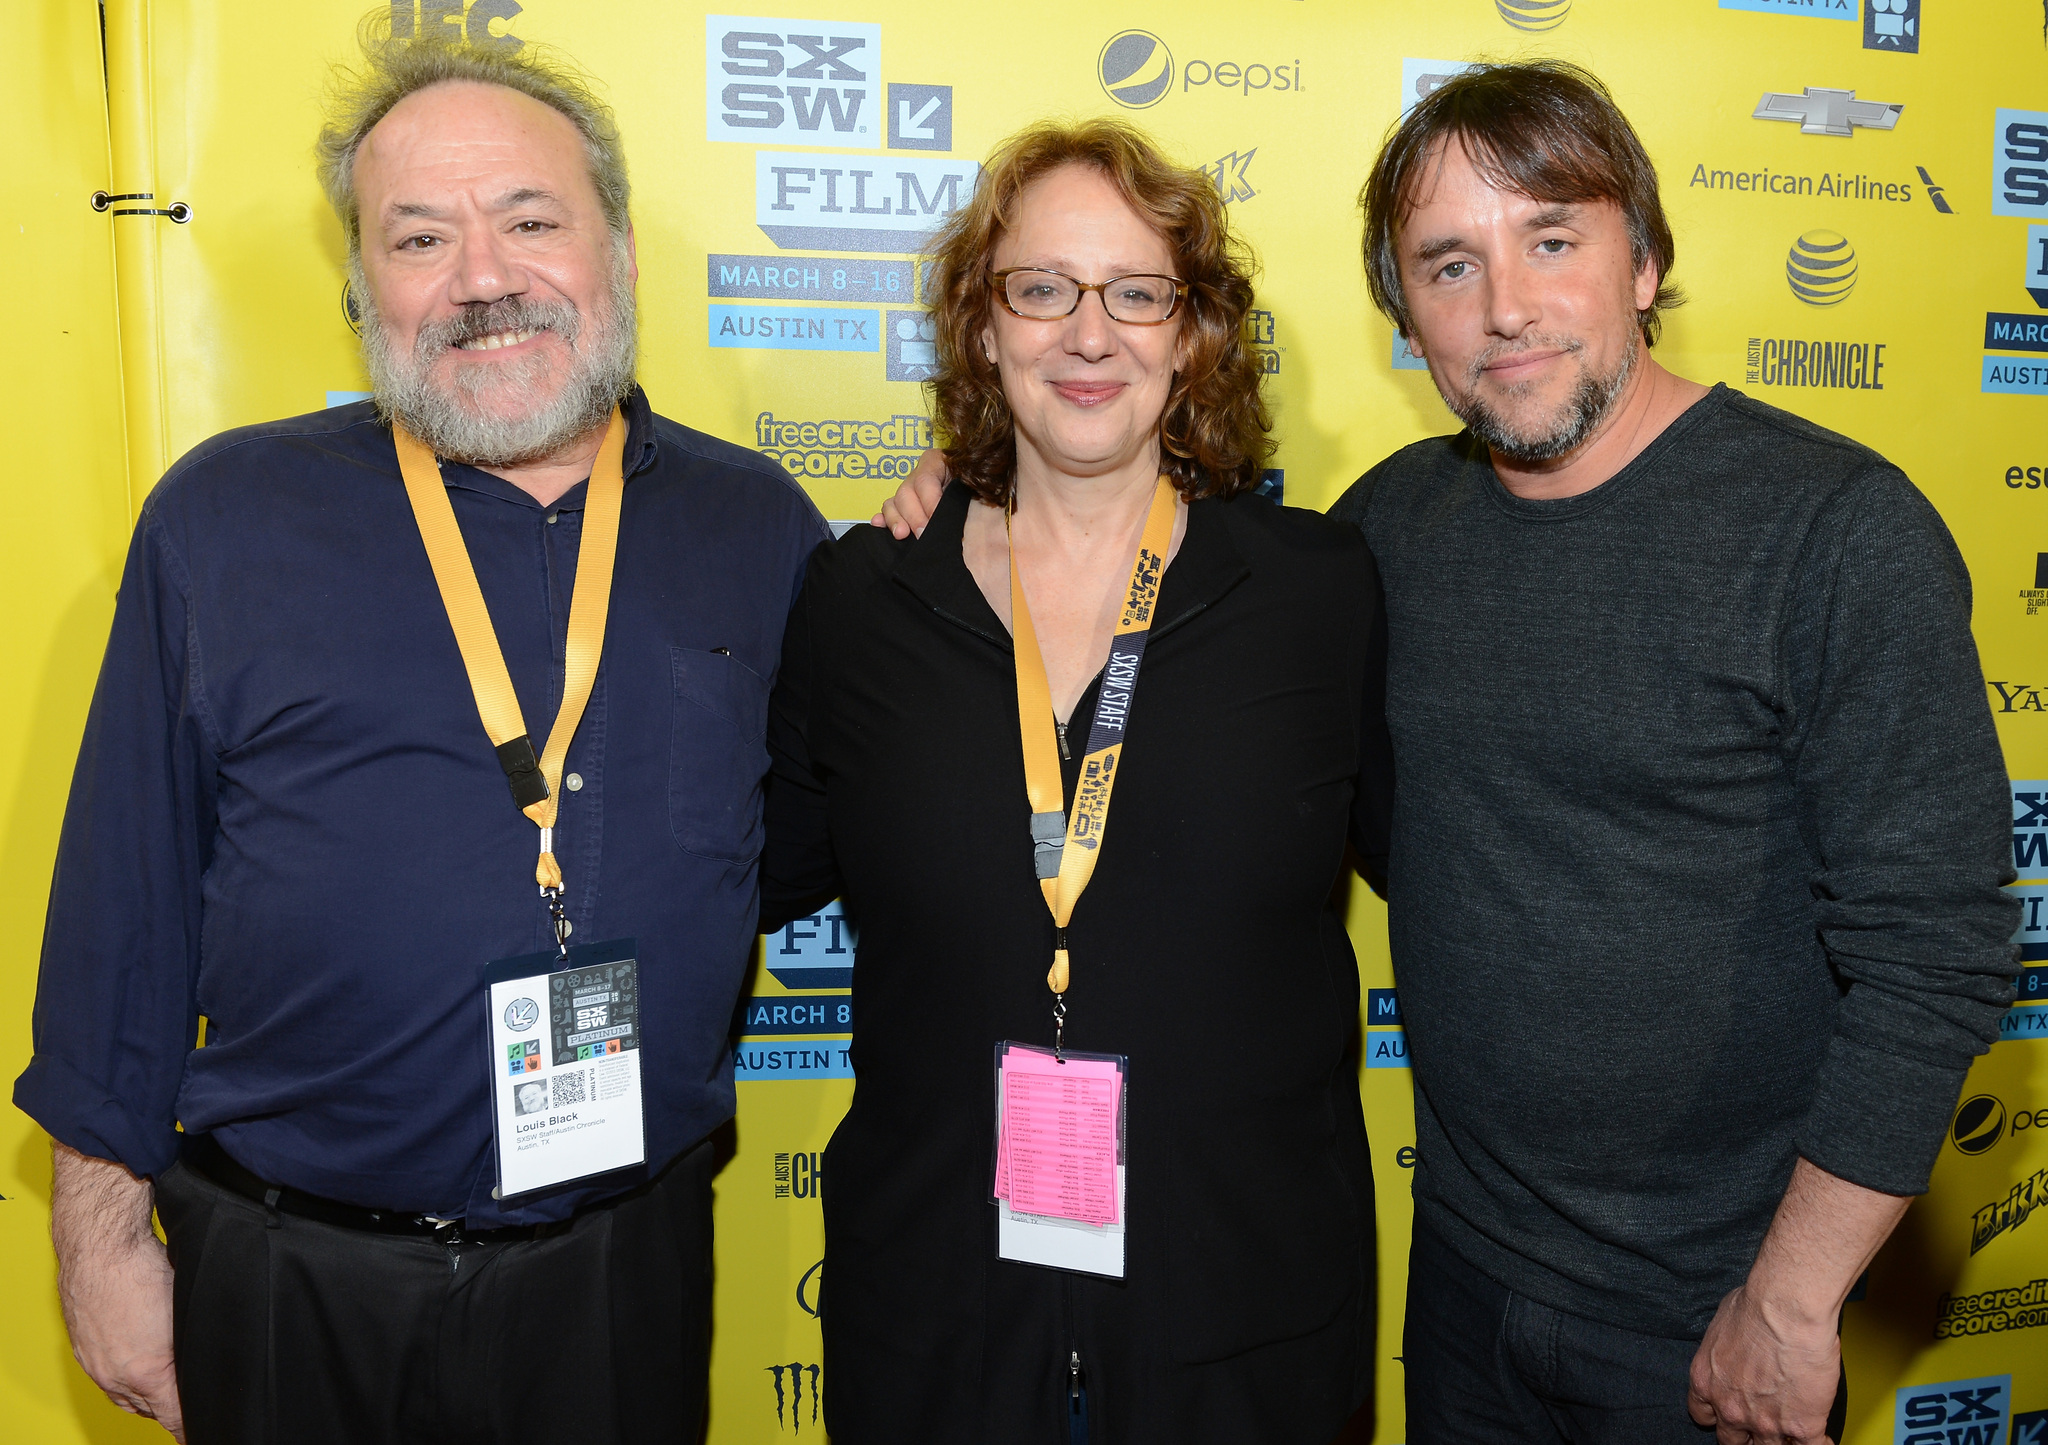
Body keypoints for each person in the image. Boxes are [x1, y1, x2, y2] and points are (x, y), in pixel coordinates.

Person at [878, 62, 2019, 1445]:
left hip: (1716, 1306)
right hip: (1462, 1285)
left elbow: (1936, 951)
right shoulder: (1383, 535)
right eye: (1449, 264)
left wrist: (1791, 1295)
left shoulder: (1836, 532)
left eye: (1554, 240)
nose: (1507, 308)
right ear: (1404, 313)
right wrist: (974, 499)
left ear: (1646, 259)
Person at [15, 24, 825, 1445]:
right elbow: (121, 910)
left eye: (530, 220)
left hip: (619, 1276)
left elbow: (818, 831)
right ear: (359, 288)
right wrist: (96, 1236)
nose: (485, 279)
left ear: (620, 254)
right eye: (420, 238)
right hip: (284, 1276)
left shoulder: (757, 527)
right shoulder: (226, 519)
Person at [761, 117, 1393, 1444]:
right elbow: (758, 866)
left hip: (1242, 1338)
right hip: (938, 1337)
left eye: (1137, 292)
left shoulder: (1319, 592)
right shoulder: (865, 599)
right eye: (1040, 289)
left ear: (1194, 330)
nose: (1087, 334)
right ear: (982, 328)